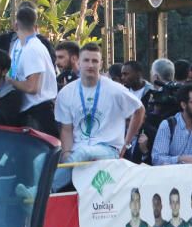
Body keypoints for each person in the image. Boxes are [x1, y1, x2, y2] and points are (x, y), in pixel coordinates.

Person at [52, 43, 145, 191]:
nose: (90, 65)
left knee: (83, 153)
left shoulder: (115, 90)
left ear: (101, 64)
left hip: (107, 148)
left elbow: (139, 110)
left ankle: (42, 192)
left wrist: (126, 143)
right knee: (45, 159)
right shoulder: (66, 93)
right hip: (78, 148)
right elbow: (66, 129)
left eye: (95, 61)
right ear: (78, 62)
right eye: (86, 60)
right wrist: (67, 153)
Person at [9, 6, 58, 134]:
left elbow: (32, 88)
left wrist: (10, 81)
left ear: (15, 25)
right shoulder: (17, 45)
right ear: (35, 25)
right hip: (25, 111)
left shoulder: (33, 48)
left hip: (38, 114)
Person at [151, 83, 192, 168]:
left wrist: (178, 161)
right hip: (174, 178)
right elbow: (157, 159)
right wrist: (180, 159)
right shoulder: (168, 125)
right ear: (183, 105)